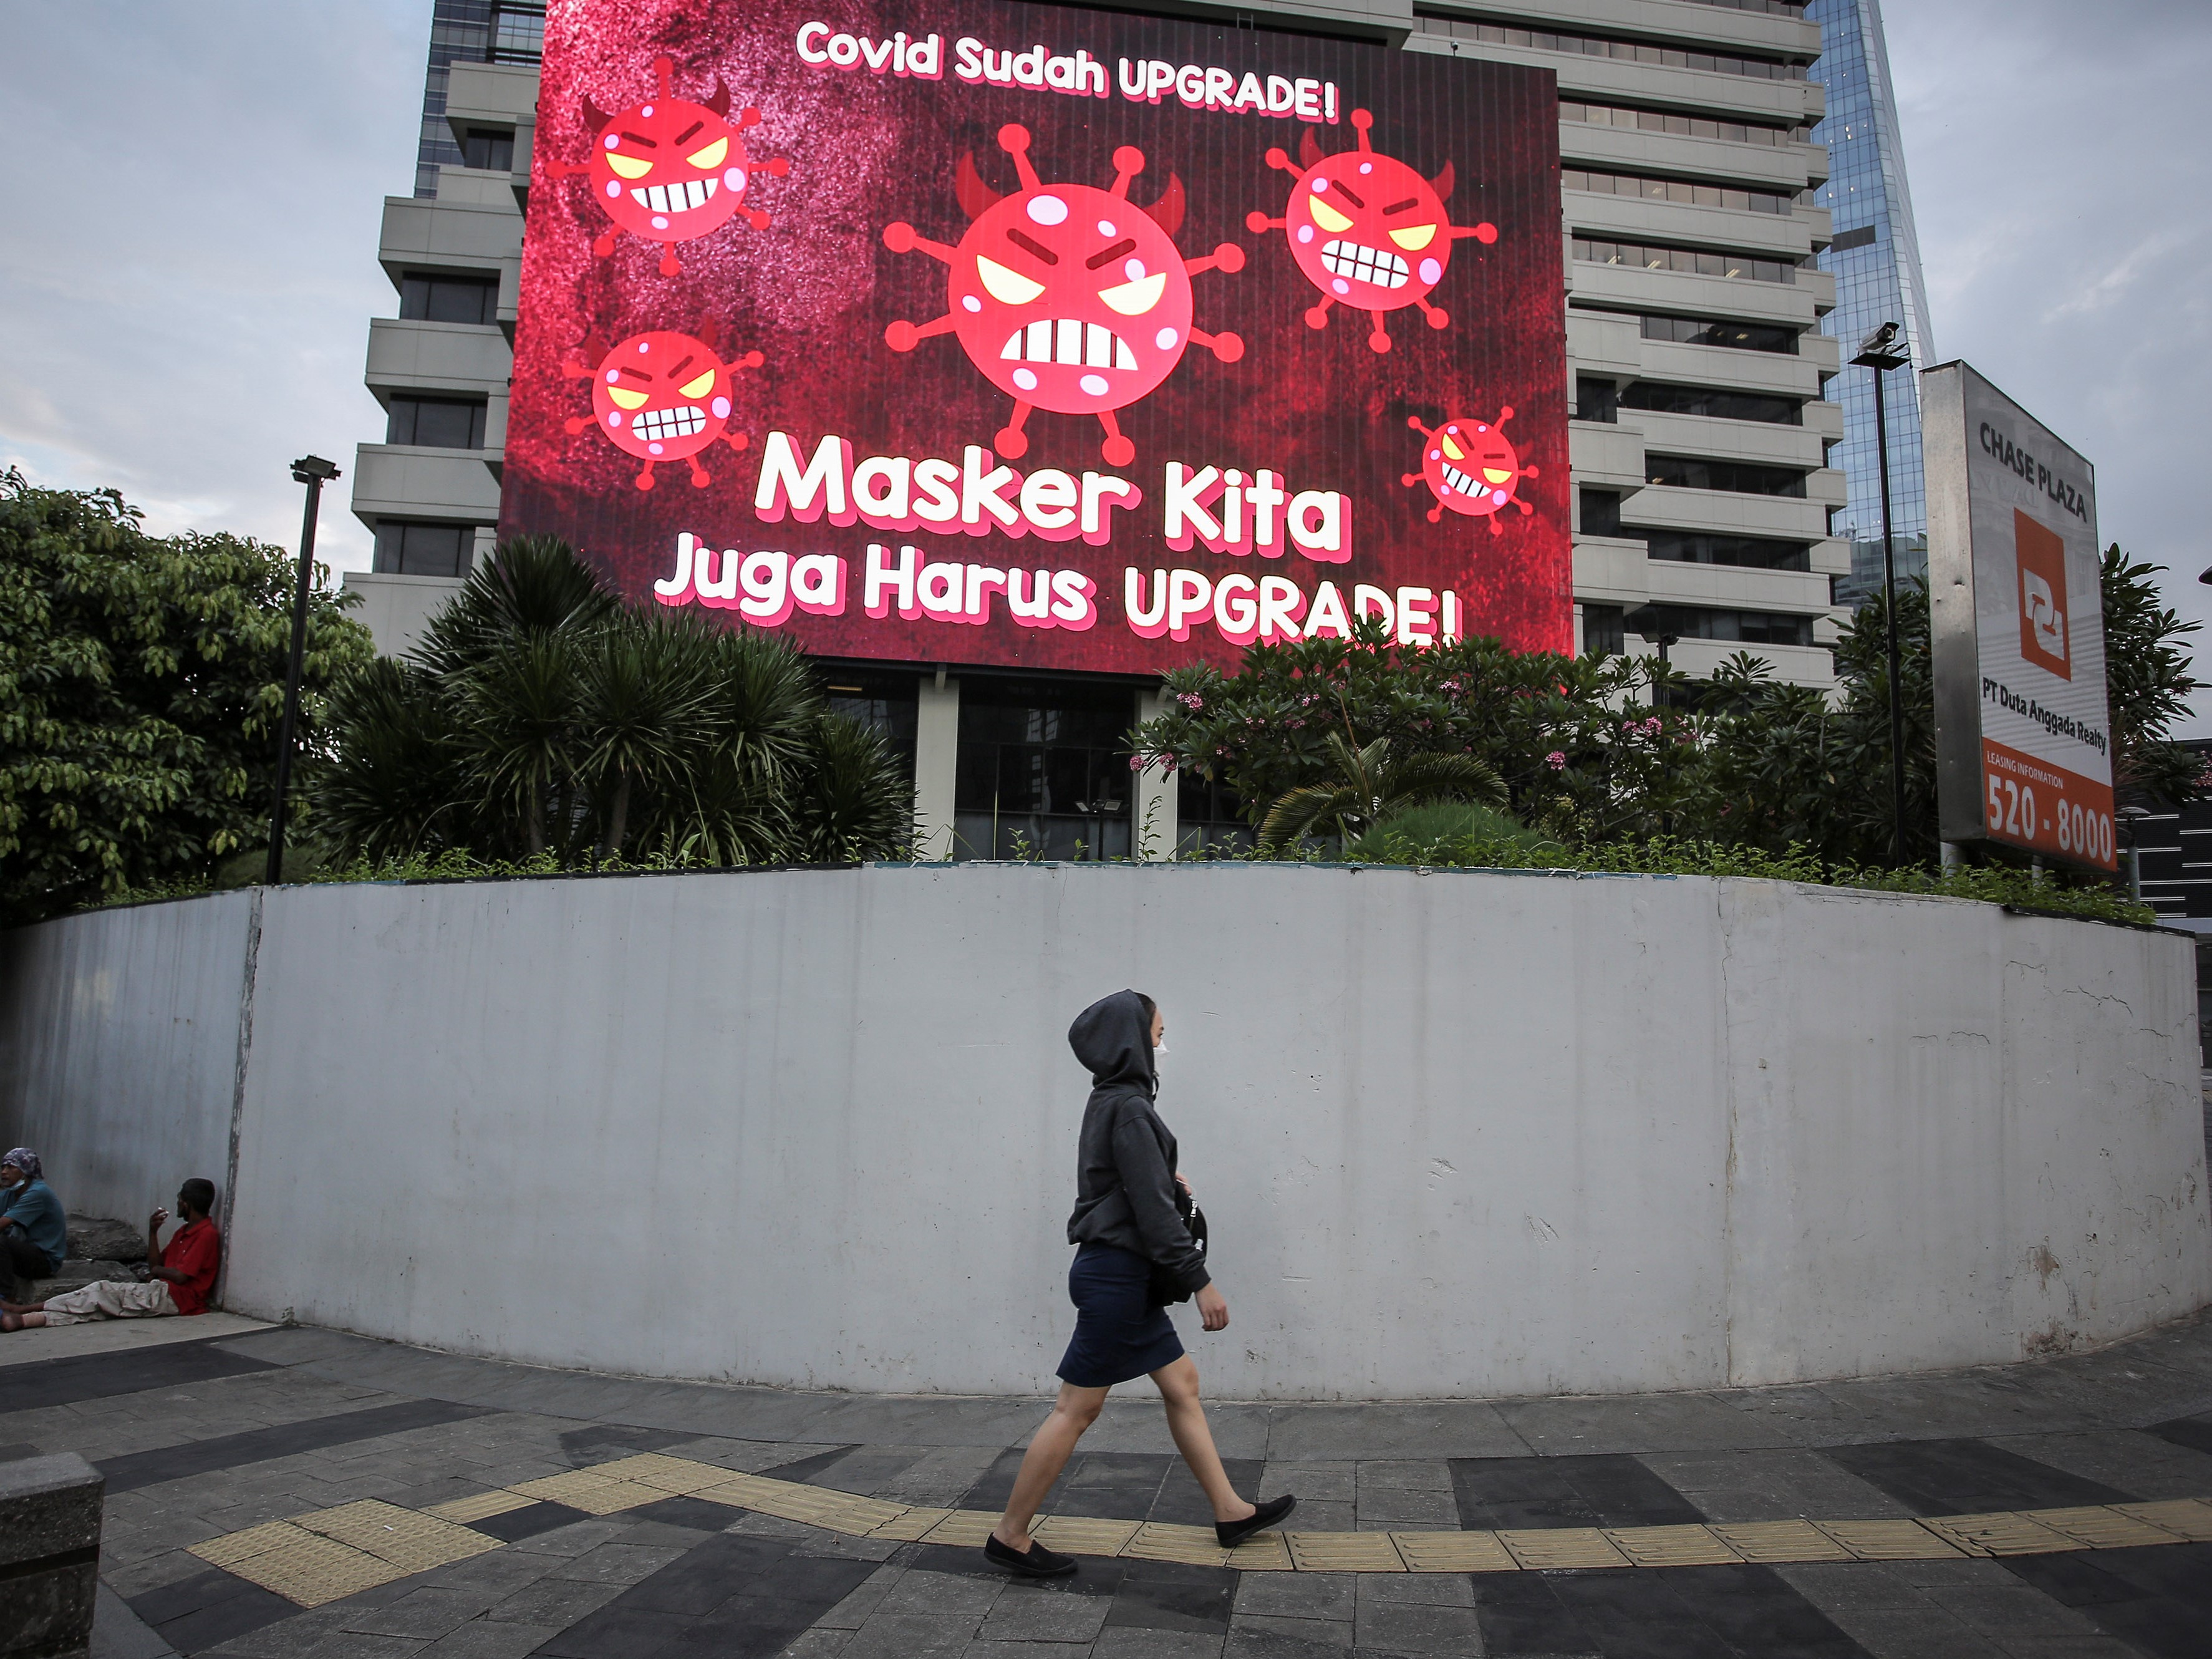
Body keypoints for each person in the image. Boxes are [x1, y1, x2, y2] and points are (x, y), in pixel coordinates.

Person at [985, 990, 1295, 1579]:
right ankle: (1010, 1535)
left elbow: (1126, 1188)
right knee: (1076, 1408)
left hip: (1118, 1275)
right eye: (1158, 1034)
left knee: (1182, 1383)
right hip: (1117, 1278)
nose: (1162, 1045)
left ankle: (1230, 1511)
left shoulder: (1111, 1100)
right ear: (1132, 1039)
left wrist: (1167, 1181)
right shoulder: (1129, 1108)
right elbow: (1150, 1213)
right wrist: (1200, 1282)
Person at [1, 1179, 221, 1333]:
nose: (177, 1204)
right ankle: (26, 1320)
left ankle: (26, 1309)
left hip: (178, 1299)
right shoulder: (183, 1232)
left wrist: (156, 1271)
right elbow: (156, 1263)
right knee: (98, 1308)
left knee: (101, 1291)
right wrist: (153, 1233)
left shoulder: (206, 1235)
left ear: (186, 1203)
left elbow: (180, 1276)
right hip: (162, 1290)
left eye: (179, 1199)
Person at [0, 1148, 67, 1306]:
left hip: (45, 1261)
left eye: (11, 1167)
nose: (4, 1172)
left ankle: (7, 1299)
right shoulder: (9, 1194)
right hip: (23, 1253)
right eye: (3, 1167)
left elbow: (2, 1224)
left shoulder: (38, 1192)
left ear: (26, 1172)